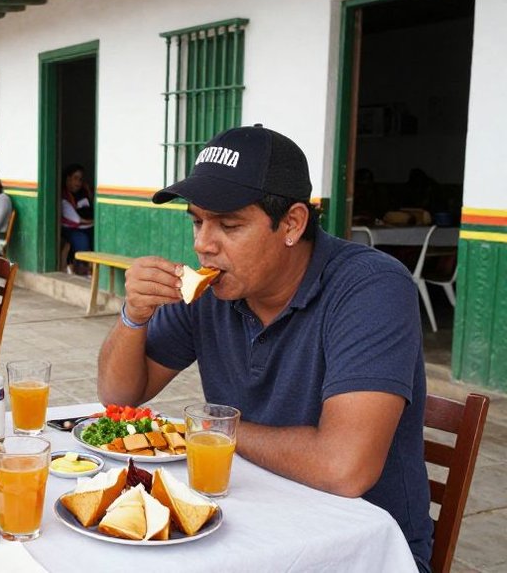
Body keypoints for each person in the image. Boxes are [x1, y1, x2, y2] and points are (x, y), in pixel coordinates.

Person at [97, 125, 432, 571]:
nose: (202, 244)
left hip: (360, 551)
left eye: (229, 225)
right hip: (254, 528)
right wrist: (134, 316)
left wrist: (210, 431)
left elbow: (343, 467)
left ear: (292, 223)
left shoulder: (370, 289)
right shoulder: (211, 293)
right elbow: (118, 396)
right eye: (197, 221)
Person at [61, 163, 94, 274]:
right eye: (75, 178)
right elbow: (77, 219)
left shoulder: (83, 193)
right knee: (82, 241)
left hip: (88, 227)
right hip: (71, 229)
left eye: (80, 179)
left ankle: (91, 269)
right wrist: (94, 221)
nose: (78, 182)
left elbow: (91, 210)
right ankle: (80, 268)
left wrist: (89, 193)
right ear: (68, 179)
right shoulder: (64, 196)